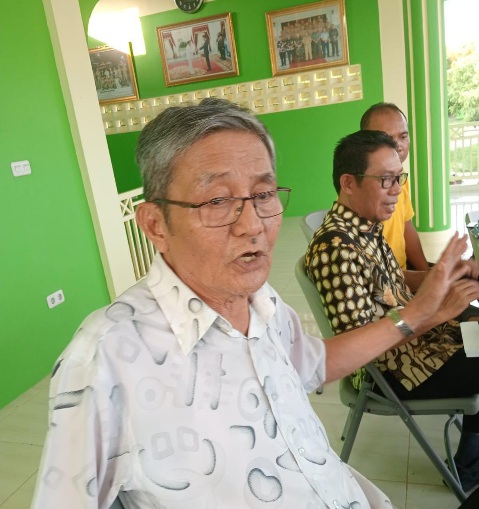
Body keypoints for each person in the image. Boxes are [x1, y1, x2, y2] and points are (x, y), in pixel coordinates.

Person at [32, 99, 477, 509]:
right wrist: (419, 315)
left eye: (263, 195)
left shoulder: (263, 302)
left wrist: (417, 314)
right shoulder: (105, 358)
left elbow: (316, 363)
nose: (252, 225)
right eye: (217, 200)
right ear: (155, 224)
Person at [305, 129, 479, 493]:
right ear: (348, 182)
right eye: (386, 179)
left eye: (399, 178)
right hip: (398, 371)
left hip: (420, 341)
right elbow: (361, 349)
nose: (397, 189)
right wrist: (438, 312)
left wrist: (442, 275)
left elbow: (391, 281)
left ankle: (471, 451)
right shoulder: (336, 248)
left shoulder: (364, 226)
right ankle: (469, 466)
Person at [360, 102, 429, 271]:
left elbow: (407, 228)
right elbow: (372, 270)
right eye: (387, 139)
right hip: (385, 280)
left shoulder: (400, 176)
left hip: (403, 271)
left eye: (403, 136)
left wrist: (426, 271)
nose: (398, 145)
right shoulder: (364, 187)